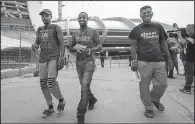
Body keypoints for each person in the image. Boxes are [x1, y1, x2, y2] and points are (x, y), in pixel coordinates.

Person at [128, 5, 173, 118]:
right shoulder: (136, 30)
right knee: (144, 86)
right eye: (144, 13)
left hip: (159, 60)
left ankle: (154, 99)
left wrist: (169, 58)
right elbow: (133, 47)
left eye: (149, 12)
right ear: (140, 16)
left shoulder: (158, 27)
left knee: (162, 84)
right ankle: (148, 107)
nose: (147, 14)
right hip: (143, 61)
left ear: (152, 13)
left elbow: (163, 43)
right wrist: (134, 61)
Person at [31, 9, 66, 118]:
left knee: (51, 82)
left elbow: (62, 43)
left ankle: (61, 100)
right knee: (43, 84)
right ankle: (50, 107)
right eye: (43, 16)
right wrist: (35, 45)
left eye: (46, 16)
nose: (44, 18)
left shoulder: (56, 28)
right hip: (42, 59)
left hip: (53, 58)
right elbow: (37, 43)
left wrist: (62, 58)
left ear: (51, 17)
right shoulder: (39, 30)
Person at [69, 12, 102, 124]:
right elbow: (71, 47)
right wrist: (74, 48)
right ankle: (92, 99)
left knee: (84, 86)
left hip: (89, 62)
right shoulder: (75, 33)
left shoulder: (93, 32)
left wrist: (90, 50)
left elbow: (99, 46)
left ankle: (80, 114)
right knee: (84, 86)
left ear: (87, 19)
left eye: (84, 17)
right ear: (78, 19)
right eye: (80, 17)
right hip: (79, 63)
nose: (82, 18)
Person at [179, 24, 195, 94]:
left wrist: (179, 34)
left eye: (189, 29)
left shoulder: (193, 36)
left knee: (189, 73)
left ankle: (187, 88)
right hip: (190, 56)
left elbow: (183, 42)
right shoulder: (190, 37)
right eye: (186, 29)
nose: (187, 31)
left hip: (190, 58)